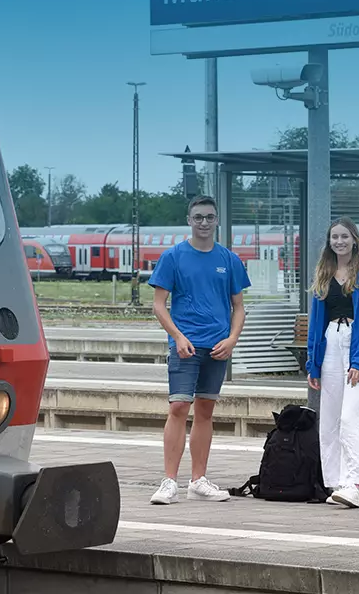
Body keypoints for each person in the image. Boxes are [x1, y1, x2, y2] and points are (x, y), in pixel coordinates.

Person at [148, 194, 251, 504]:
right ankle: (169, 482)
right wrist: (177, 337)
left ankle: (198, 480)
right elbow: (158, 305)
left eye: (209, 217)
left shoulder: (229, 260)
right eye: (198, 217)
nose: (204, 222)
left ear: (216, 220)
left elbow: (239, 307)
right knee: (179, 407)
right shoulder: (173, 257)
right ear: (189, 221)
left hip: (217, 346)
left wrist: (232, 339)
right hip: (186, 346)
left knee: (205, 410)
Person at [306, 217, 359, 509]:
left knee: (351, 417)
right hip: (330, 343)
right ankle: (336, 482)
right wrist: (313, 363)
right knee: (330, 420)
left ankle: (353, 483)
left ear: (354, 239)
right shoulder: (324, 272)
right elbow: (316, 321)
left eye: (344, 236)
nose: (339, 241)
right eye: (334, 237)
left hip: (356, 343)